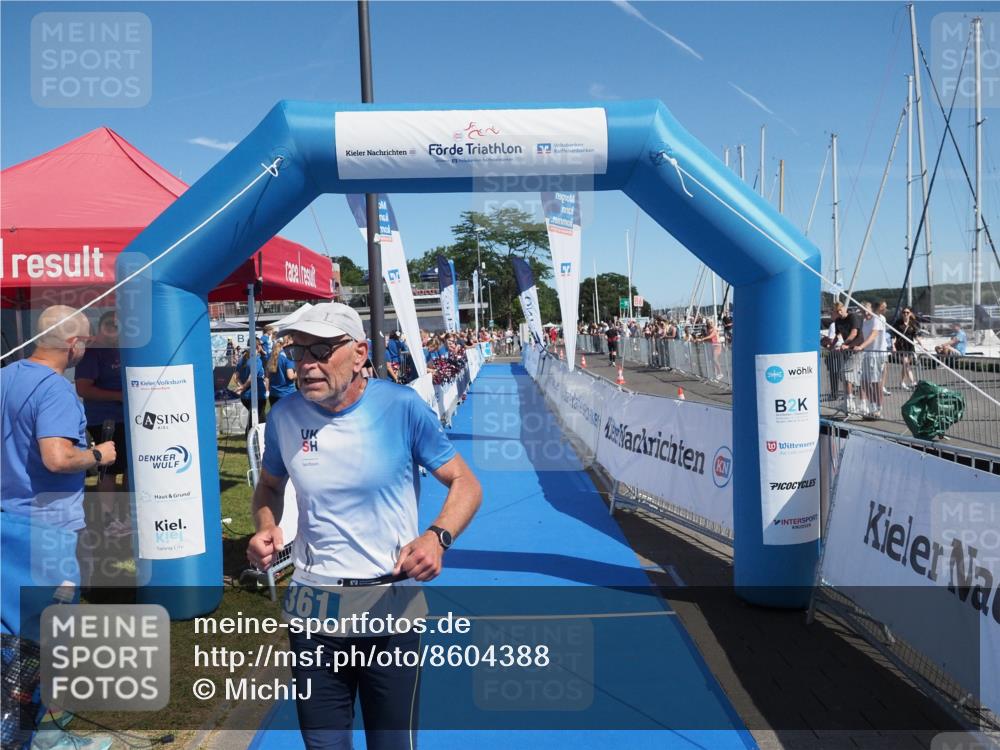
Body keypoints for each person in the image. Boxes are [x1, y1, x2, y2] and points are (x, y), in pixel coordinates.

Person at [247, 303, 482, 750]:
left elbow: (465, 483)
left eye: (320, 349)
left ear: (358, 354)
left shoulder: (401, 407)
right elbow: (269, 487)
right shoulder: (284, 415)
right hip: (313, 609)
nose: (306, 363)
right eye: (298, 351)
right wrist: (265, 525)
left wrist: (438, 537)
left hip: (388, 606)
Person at [1, 306, 117, 750]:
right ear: (73, 345)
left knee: (15, 636)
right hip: (46, 527)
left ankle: (24, 727)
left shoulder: (6, 376)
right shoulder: (56, 390)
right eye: (85, 341)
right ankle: (47, 735)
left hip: (7, 520)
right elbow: (57, 457)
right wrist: (101, 455)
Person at [73, 311, 129, 538]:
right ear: (101, 328)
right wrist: (118, 396)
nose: (115, 329)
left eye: (119, 325)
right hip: (105, 420)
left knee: (128, 468)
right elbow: (83, 389)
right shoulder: (92, 353)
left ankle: (126, 517)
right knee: (109, 469)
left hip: (127, 419)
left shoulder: (122, 349)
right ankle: (109, 519)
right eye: (111, 325)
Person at [235, 339, 268, 435]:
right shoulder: (256, 360)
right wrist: (243, 387)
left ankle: (253, 439)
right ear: (258, 346)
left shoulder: (243, 358)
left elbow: (235, 376)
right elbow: (252, 377)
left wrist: (241, 386)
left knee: (255, 418)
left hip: (246, 396)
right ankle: (253, 441)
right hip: (256, 395)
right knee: (259, 420)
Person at [892, 308, 920, 390]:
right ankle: (913, 382)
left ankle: (901, 382)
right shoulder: (898, 323)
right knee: (906, 363)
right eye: (904, 312)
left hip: (910, 346)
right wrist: (893, 345)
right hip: (901, 346)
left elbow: (915, 335)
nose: (905, 314)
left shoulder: (912, 323)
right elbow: (894, 335)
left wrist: (921, 344)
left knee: (905, 365)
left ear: (910, 313)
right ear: (902, 314)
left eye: (907, 312)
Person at [266, 337, 296, 408]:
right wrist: (300, 371)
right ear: (287, 343)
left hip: (273, 394)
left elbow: (267, 376)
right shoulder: (287, 356)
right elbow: (290, 376)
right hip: (287, 394)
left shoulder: (271, 356)